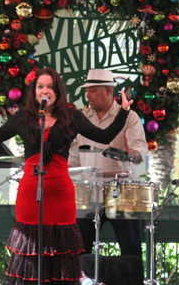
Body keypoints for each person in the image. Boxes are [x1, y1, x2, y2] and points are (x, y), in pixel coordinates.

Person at [0, 67, 132, 285]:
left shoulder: (72, 117)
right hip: (30, 194)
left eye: (50, 87)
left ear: (58, 91)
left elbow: (104, 136)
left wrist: (124, 112)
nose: (45, 90)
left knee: (62, 261)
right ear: (35, 92)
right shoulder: (23, 118)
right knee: (31, 262)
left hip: (61, 195)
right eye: (41, 86)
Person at [68, 69, 147, 282]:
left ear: (109, 91)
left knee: (130, 247)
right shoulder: (82, 118)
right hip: (87, 191)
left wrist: (128, 153)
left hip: (120, 190)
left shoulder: (128, 117)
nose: (88, 96)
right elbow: (73, 157)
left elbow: (140, 151)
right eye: (88, 91)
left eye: (93, 91)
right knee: (79, 246)